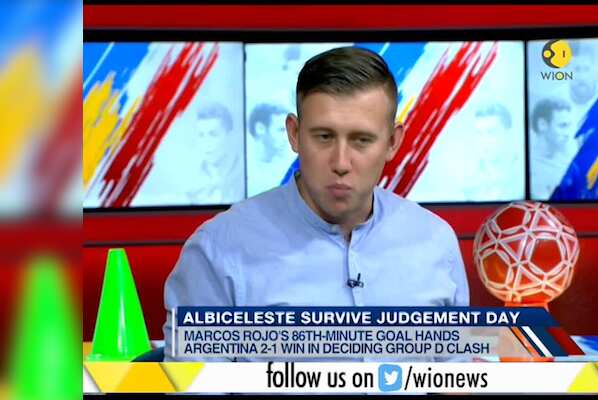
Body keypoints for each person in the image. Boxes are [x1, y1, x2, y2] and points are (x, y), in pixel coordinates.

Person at [163, 46, 469, 361]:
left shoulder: (435, 242)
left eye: (361, 140)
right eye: (324, 137)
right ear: (294, 134)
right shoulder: (218, 249)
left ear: (392, 142)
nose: (341, 163)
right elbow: (192, 382)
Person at [186, 102, 243, 204]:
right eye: (201, 135)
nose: (206, 143)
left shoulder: (244, 176)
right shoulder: (191, 182)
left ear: (229, 136)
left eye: (213, 134)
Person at [530, 97, 578, 199]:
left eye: (569, 126)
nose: (568, 134)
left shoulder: (571, 167)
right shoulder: (521, 166)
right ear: (542, 125)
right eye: (562, 126)